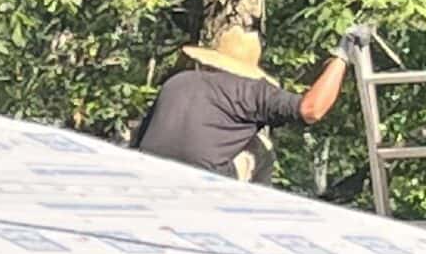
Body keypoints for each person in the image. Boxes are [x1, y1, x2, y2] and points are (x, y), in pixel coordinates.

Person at [133, 24, 373, 183]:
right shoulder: (251, 92)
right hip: (203, 181)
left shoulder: (177, 81)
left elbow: (139, 138)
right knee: (261, 150)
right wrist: (342, 56)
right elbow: (312, 110)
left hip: (146, 172)